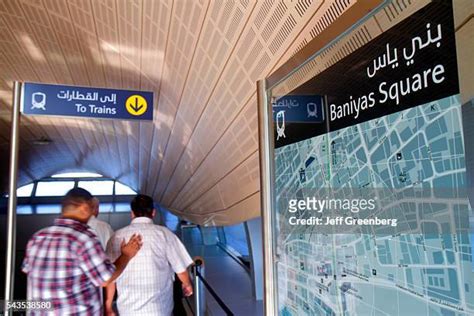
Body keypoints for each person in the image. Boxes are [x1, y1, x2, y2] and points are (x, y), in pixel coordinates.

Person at [22, 188, 143, 315]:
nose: (93, 212)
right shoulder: (83, 237)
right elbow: (105, 279)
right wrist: (127, 255)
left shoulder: (37, 237)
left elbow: (28, 272)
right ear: (84, 208)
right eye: (92, 208)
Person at [105, 194, 194, 316]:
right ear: (153, 212)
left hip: (127, 309)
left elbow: (110, 276)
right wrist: (187, 284)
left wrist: (108, 306)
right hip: (160, 309)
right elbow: (180, 269)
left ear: (132, 213)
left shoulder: (116, 236)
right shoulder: (165, 234)